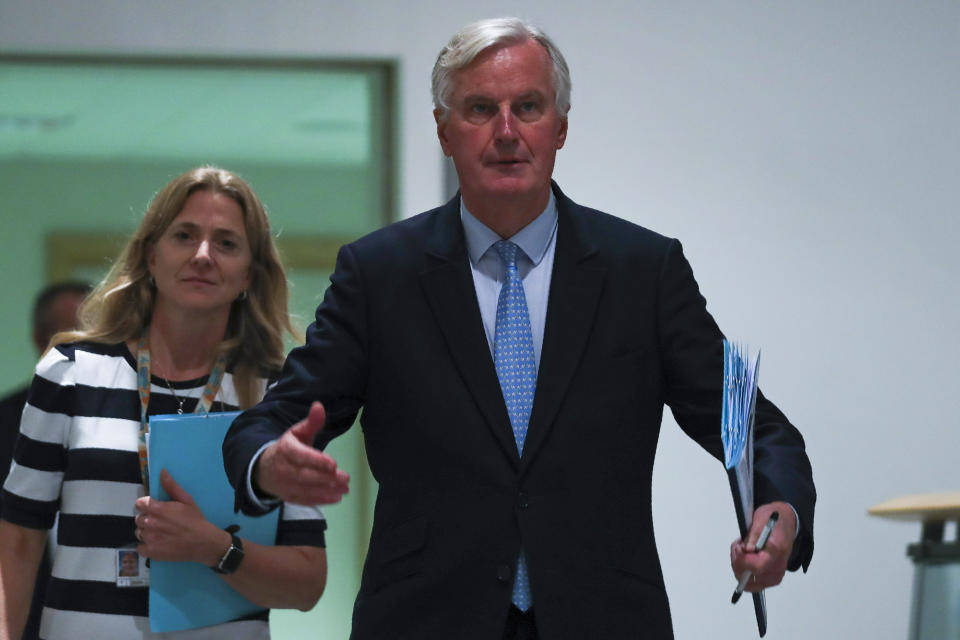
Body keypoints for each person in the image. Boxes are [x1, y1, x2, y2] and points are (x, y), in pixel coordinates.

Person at [222, 17, 816, 640]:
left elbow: (752, 425)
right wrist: (267, 463)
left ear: (560, 126)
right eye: (481, 109)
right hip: (426, 620)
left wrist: (779, 513)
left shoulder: (642, 272)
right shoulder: (380, 275)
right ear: (444, 130)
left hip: (604, 619)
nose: (506, 132)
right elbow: (268, 421)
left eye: (527, 107)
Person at [0, 167, 328, 640]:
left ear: (249, 277)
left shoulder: (275, 396)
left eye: (227, 243)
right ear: (151, 256)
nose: (202, 255)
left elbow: (306, 583)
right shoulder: (69, 372)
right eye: (185, 235)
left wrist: (215, 548)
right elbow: (18, 539)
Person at [0, 281, 89, 640]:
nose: (85, 352)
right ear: (41, 341)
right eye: (70, 338)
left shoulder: (134, 418)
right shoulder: (5, 421)